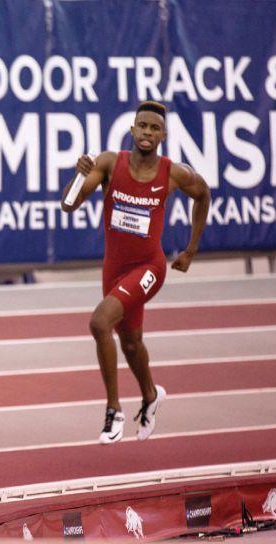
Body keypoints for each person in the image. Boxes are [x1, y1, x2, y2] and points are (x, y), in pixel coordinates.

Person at [61, 101, 210, 445]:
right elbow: (69, 205)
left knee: (100, 323)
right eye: (142, 126)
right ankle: (150, 395)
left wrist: (190, 250)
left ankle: (113, 410)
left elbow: (203, 195)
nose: (147, 133)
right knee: (130, 343)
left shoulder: (173, 173)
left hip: (149, 268)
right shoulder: (110, 163)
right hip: (113, 269)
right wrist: (79, 175)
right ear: (132, 130)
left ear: (163, 136)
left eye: (154, 128)